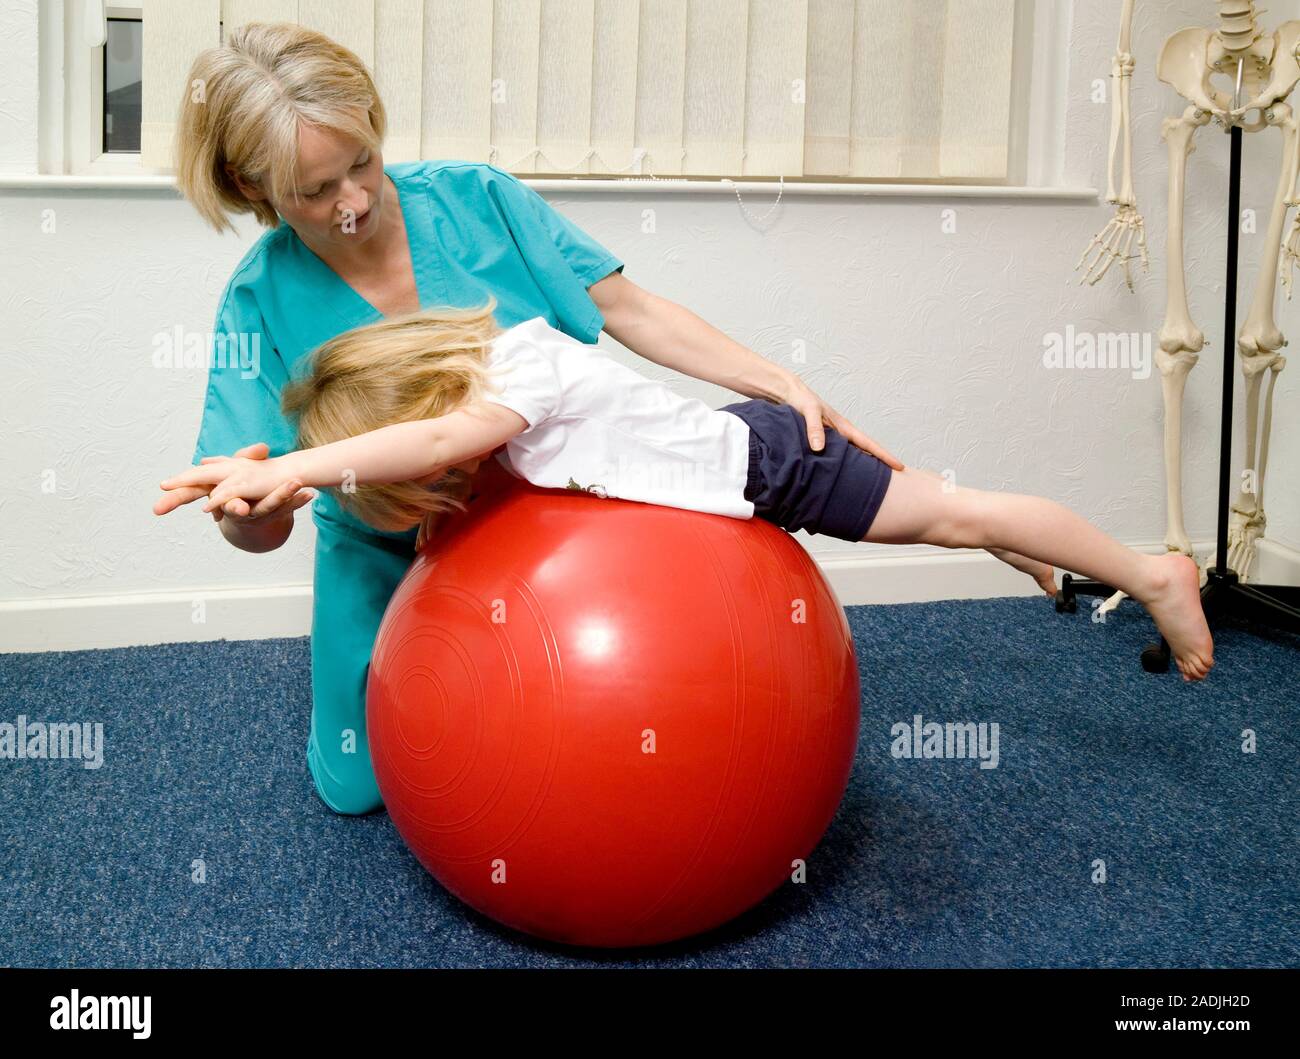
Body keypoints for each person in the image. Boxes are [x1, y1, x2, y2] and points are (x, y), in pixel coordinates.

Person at [163, 21, 902, 815]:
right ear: (252, 189)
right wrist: (250, 513)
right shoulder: (256, 298)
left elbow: (630, 310)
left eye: (363, 162)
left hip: (547, 510)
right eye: (316, 191)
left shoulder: (473, 198)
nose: (356, 201)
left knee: (606, 730)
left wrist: (778, 380)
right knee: (358, 787)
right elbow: (255, 513)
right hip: (385, 545)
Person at [156, 301, 1216, 683]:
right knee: (949, 517)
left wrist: (301, 466)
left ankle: (1149, 572)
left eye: (427, 466)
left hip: (768, 470)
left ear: (422, 397)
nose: (442, 480)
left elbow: (441, 436)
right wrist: (269, 484)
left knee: (957, 511)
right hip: (731, 477)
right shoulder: (488, 402)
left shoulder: (514, 374)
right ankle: (1014, 544)